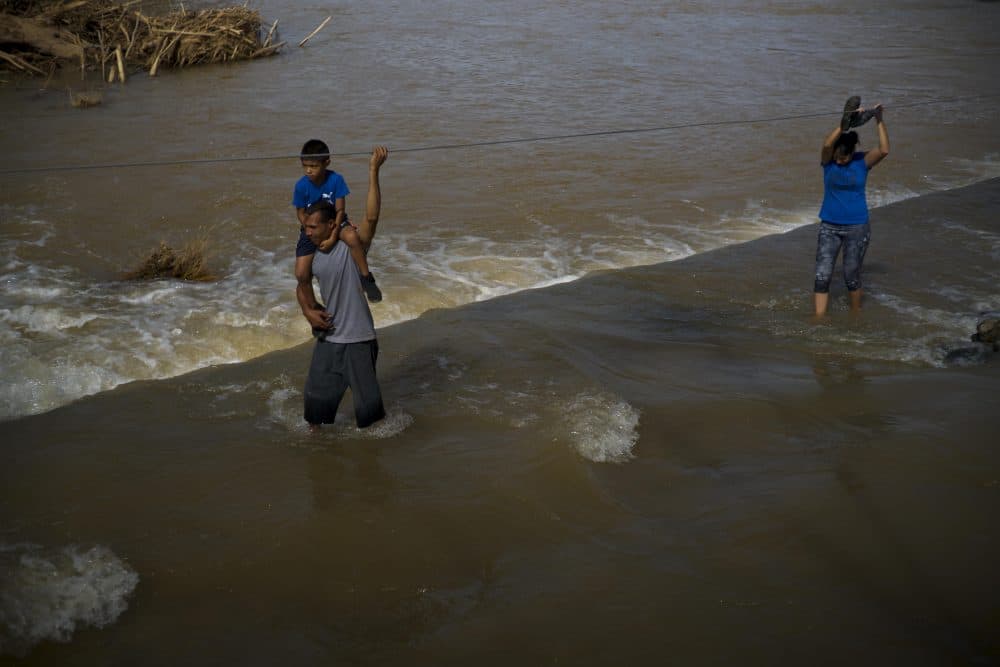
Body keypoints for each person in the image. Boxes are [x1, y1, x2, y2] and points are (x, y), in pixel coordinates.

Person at [297, 146, 389, 430]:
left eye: (313, 227)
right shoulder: (311, 254)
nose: (308, 232)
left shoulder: (353, 246)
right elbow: (300, 285)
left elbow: (371, 218)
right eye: (307, 227)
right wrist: (308, 311)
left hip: (360, 340)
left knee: (370, 421)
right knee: (314, 417)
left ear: (330, 225)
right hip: (328, 339)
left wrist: (374, 171)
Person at [813, 99, 890, 316]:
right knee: (822, 275)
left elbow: (884, 150)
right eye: (837, 158)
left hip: (857, 227)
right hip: (829, 226)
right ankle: (818, 318)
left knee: (851, 275)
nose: (839, 161)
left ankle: (855, 315)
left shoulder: (862, 162)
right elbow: (827, 145)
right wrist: (843, 124)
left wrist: (878, 119)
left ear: (852, 152)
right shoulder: (828, 161)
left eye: (844, 158)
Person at [293, 139, 383, 303]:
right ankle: (313, 307)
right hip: (311, 226)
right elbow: (300, 213)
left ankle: (366, 278)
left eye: (313, 166)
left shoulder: (336, 179)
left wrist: (333, 236)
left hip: (335, 221)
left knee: (352, 237)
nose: (308, 170)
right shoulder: (300, 186)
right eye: (305, 165)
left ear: (326, 162)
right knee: (300, 273)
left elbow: (340, 210)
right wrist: (309, 230)